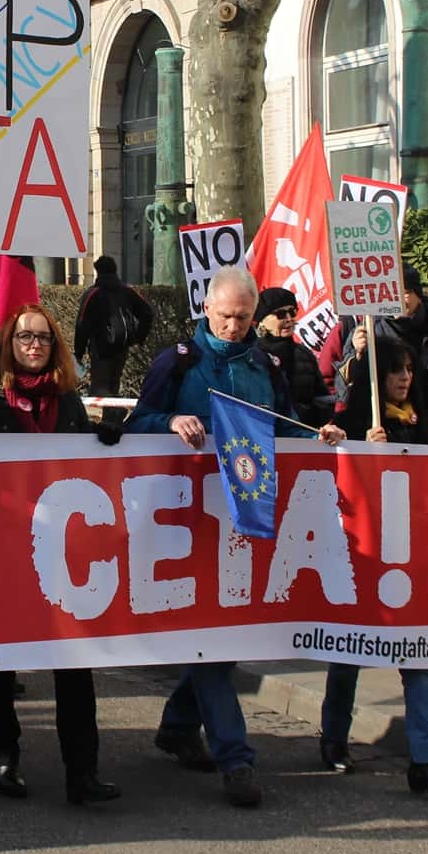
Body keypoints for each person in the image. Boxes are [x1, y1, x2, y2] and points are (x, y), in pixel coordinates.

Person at [126, 266, 345, 808]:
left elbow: (283, 424)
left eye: (242, 317)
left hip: (242, 518)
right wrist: (171, 421)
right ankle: (236, 758)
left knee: (221, 637)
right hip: (185, 522)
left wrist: (319, 435)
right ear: (206, 307)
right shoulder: (178, 362)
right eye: (224, 315)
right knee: (211, 638)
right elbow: (137, 424)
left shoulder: (266, 363)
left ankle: (179, 726)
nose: (231, 325)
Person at [0, 303, 121, 806]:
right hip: (3, 547)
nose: (33, 345)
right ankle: (4, 755)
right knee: (0, 656)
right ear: (8, 344)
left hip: (60, 552)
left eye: (43, 339)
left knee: (74, 660)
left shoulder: (67, 402)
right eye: (25, 337)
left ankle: (82, 770)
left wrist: (104, 440)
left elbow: (81, 465)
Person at [321, 336, 428, 802]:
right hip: (362, 557)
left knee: (419, 660)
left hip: (412, 558)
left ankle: (426, 761)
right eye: (395, 370)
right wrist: (360, 447)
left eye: (408, 369)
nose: (404, 378)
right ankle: (334, 736)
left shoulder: (425, 424)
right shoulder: (349, 423)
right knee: (350, 652)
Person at [333, 265, 428, 445]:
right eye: (390, 293)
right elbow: (343, 391)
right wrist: (357, 355)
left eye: (403, 292)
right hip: (384, 437)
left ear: (417, 294)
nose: (396, 300)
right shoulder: (368, 332)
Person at [74, 255, 154, 397]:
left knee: (99, 386)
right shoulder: (127, 291)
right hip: (122, 346)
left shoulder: (93, 293)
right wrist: (137, 338)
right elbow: (147, 313)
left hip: (100, 347)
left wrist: (78, 353)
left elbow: (82, 325)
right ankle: (113, 415)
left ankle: (109, 416)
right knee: (114, 383)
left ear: (97, 271)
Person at [253, 286, 330, 427]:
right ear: (262, 320)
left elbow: (321, 396)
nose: (289, 319)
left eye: (292, 312)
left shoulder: (304, 353)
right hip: (268, 436)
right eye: (281, 314)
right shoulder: (253, 354)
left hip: (305, 436)